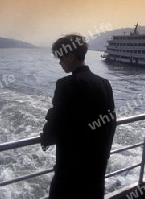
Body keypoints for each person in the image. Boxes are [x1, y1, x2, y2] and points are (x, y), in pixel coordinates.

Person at [41, 34, 116, 199]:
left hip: (70, 171)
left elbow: (56, 120)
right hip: (97, 168)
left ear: (70, 56)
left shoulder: (66, 85)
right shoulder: (104, 84)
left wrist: (46, 138)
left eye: (61, 58)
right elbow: (111, 123)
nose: (60, 62)